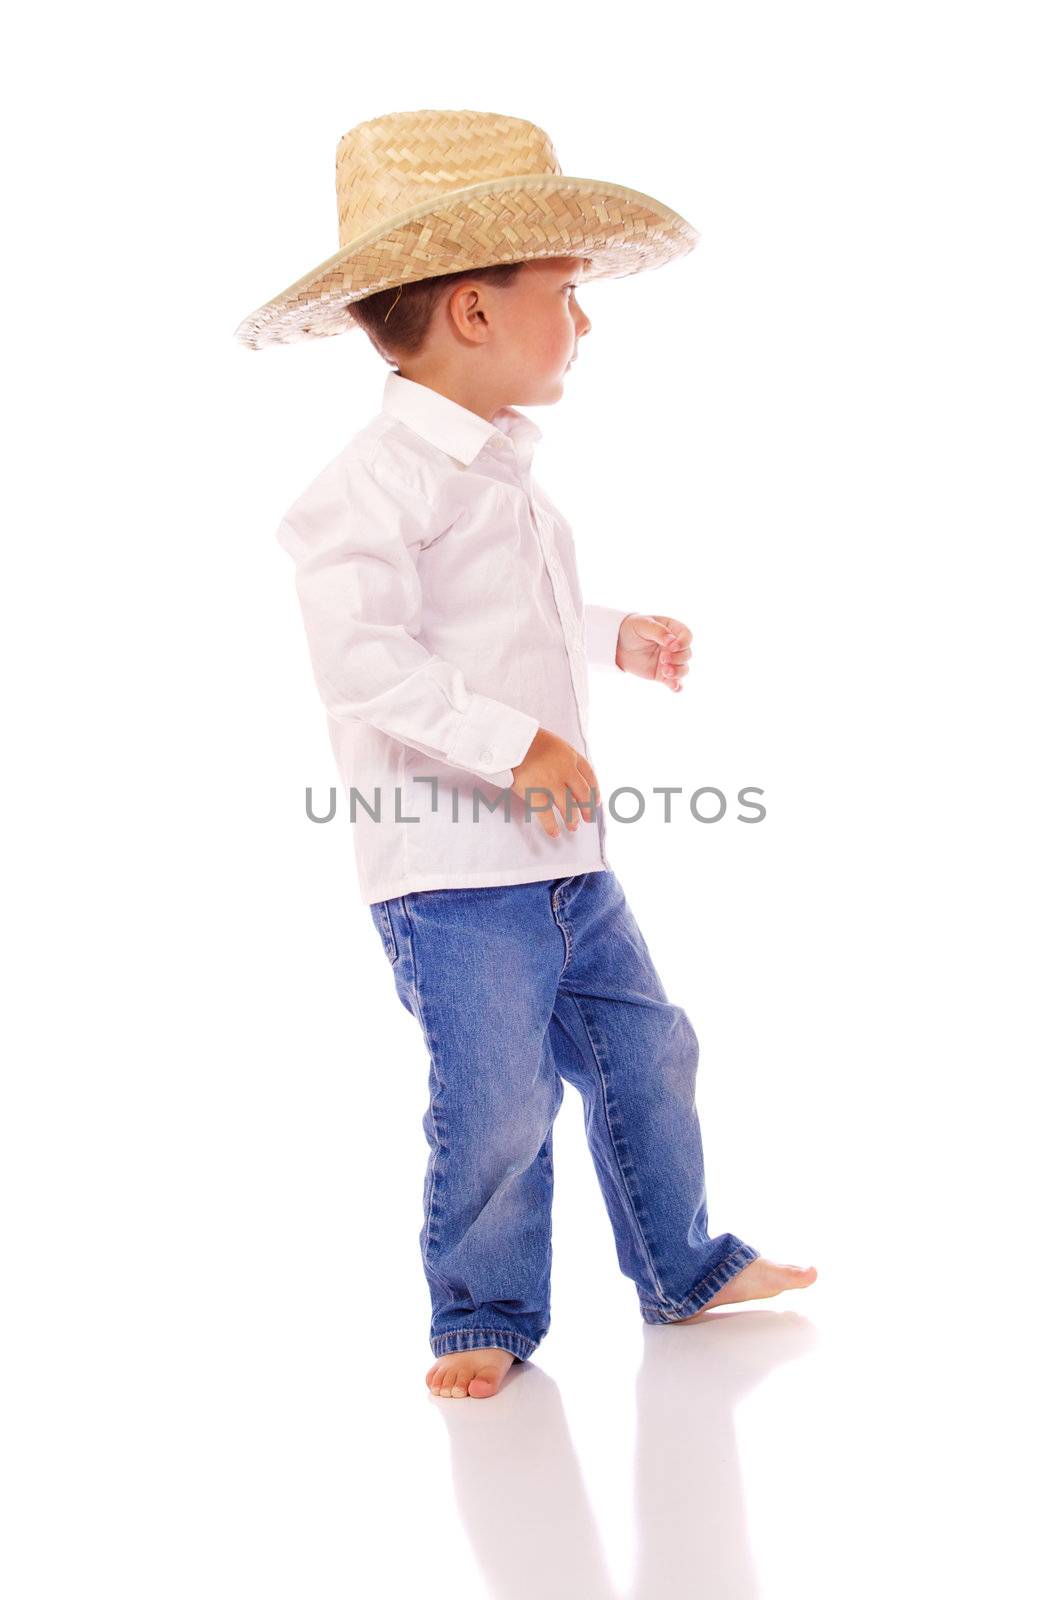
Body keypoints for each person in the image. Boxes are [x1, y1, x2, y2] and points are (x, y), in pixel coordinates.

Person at [235, 108, 816, 1400]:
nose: (587, 321)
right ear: (474, 315)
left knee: (648, 1049)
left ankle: (685, 1261)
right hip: (453, 876)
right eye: (566, 294)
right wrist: (521, 743)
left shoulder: (503, 473)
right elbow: (369, 666)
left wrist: (613, 637)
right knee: (497, 1104)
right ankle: (482, 1312)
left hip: (563, 856)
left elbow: (512, 625)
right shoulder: (365, 492)